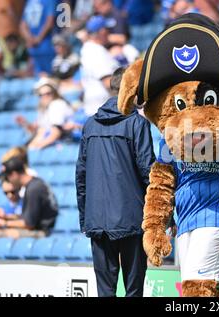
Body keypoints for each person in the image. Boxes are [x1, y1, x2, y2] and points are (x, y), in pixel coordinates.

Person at [75, 67, 155, 297]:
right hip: (132, 220)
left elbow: (80, 176)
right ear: (132, 90)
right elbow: (148, 172)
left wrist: (86, 218)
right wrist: (162, 216)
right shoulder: (136, 124)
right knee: (134, 290)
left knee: (105, 291)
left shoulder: (90, 125)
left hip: (97, 220)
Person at [0, 157, 58, 239]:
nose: (8, 181)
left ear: (14, 175)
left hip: (42, 232)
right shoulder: (35, 183)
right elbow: (28, 217)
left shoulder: (33, 189)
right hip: (41, 229)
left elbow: (29, 224)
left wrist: (4, 223)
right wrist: (6, 216)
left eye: (7, 178)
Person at [80, 15, 119, 116]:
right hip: (104, 111)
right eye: (107, 29)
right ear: (101, 32)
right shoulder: (97, 51)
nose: (110, 32)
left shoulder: (88, 49)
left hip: (97, 109)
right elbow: (108, 82)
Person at [22, 77, 74, 150]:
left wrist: (34, 148)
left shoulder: (57, 104)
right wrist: (25, 124)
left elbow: (56, 133)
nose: (44, 97)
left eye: (48, 93)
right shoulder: (43, 108)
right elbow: (39, 131)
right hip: (52, 144)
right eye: (41, 95)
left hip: (63, 144)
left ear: (54, 93)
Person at [20, 0, 56, 76]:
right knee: (38, 80)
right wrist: (31, 39)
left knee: (49, 78)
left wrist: (36, 39)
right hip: (34, 48)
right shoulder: (29, 2)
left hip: (47, 47)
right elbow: (23, 24)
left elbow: (50, 21)